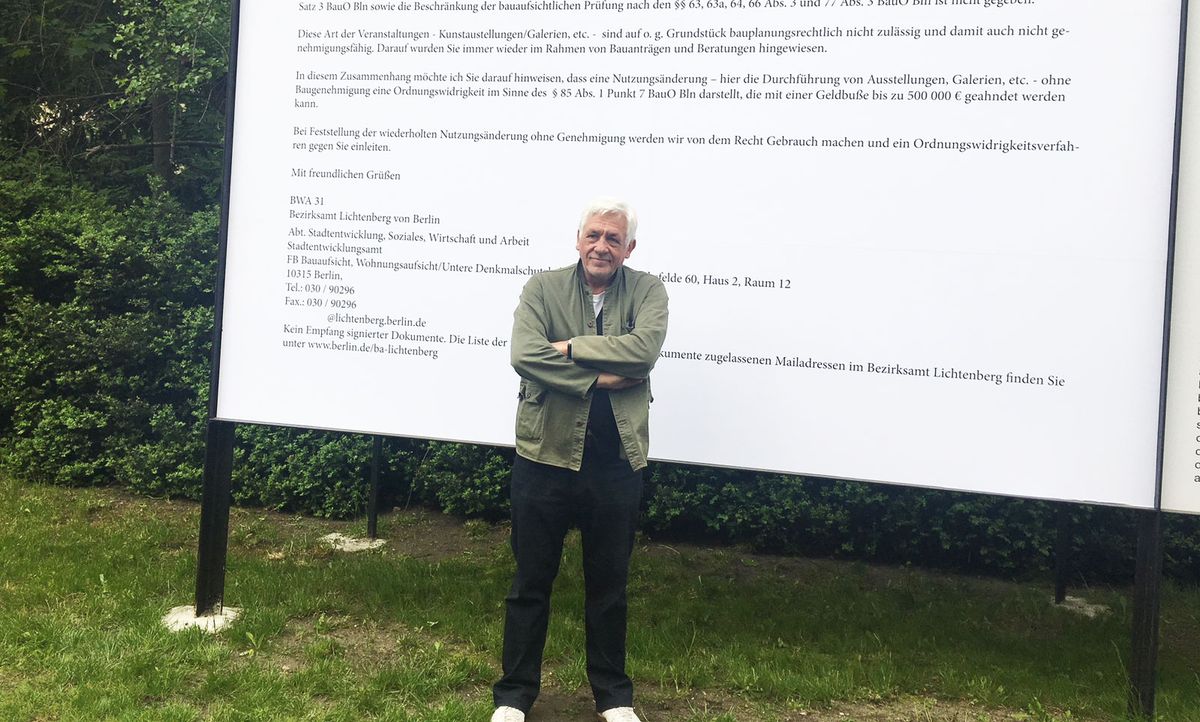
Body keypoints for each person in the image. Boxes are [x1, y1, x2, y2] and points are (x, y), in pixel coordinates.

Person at [491, 198, 668, 722]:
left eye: (614, 239)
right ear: (578, 239)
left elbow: (644, 352)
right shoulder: (541, 288)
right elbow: (524, 354)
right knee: (529, 583)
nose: (602, 246)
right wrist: (597, 377)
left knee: (609, 585)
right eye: (595, 235)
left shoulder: (648, 290)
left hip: (616, 462)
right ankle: (513, 698)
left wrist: (566, 349)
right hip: (543, 456)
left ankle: (613, 698)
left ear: (628, 248)